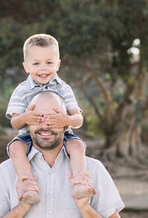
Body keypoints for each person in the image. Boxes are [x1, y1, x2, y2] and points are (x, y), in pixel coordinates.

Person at [6, 33, 96, 204]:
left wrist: (67, 120)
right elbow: (14, 122)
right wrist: (26, 117)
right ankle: (28, 185)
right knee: (15, 149)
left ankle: (78, 182)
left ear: (58, 64)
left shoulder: (64, 88)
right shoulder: (21, 90)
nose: (43, 68)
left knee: (77, 145)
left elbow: (78, 119)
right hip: (29, 135)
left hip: (60, 134)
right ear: (26, 66)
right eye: (36, 63)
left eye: (49, 63)